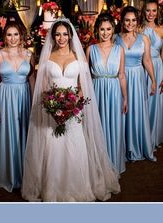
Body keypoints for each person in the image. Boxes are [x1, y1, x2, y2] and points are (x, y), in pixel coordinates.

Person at [22, 17, 120, 202]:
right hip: (52, 112)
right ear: (52, 36)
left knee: (75, 146)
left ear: (70, 35)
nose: (61, 38)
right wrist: (52, 107)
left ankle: (78, 186)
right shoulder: (47, 59)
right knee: (53, 148)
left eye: (64, 34)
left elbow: (82, 87)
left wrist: (75, 106)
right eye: (57, 34)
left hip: (74, 111)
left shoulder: (79, 58)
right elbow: (42, 89)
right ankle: (53, 188)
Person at [0, 22, 35, 192]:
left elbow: (32, 80)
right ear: (4, 37)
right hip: (6, 97)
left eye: (16, 34)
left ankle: (26, 175)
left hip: (24, 96)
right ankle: (9, 175)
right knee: (8, 134)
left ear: (21, 35)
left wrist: (33, 103)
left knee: (24, 134)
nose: (13, 38)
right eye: (9, 35)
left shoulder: (29, 54)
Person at [86, 13, 127, 174]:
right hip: (96, 91)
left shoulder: (120, 50)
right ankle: (98, 165)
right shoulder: (90, 49)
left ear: (113, 29)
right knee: (97, 127)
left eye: (108, 29)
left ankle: (113, 163)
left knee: (114, 125)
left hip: (114, 92)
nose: (105, 33)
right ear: (97, 30)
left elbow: (122, 75)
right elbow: (85, 76)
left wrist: (125, 98)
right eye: (102, 29)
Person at [115, 6, 156, 161]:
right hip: (121, 78)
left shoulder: (144, 38)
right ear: (122, 20)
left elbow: (147, 60)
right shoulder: (115, 38)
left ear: (137, 21)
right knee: (122, 111)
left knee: (137, 111)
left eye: (133, 20)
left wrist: (153, 79)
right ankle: (123, 148)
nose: (130, 23)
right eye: (127, 20)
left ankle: (137, 146)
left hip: (138, 79)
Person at [140, 0, 163, 148]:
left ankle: (154, 137)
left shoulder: (162, 29)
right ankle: (144, 139)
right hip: (143, 67)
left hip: (159, 67)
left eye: (154, 10)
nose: (151, 14)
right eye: (148, 10)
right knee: (144, 102)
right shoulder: (139, 28)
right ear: (144, 12)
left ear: (158, 12)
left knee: (156, 102)